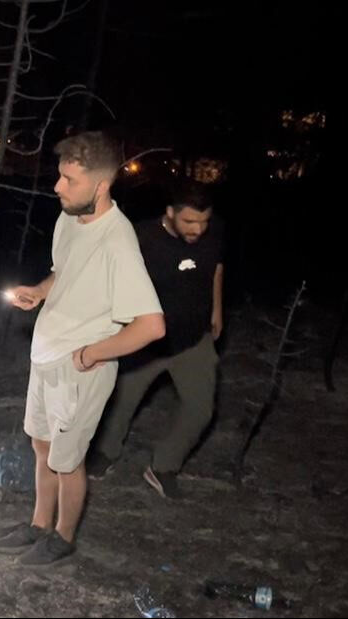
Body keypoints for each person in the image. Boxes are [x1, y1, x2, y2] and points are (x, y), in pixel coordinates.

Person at [0, 131, 165, 566]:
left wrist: (92, 354)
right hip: (46, 353)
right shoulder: (69, 218)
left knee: (68, 462)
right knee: (42, 448)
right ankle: (37, 524)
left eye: (69, 179)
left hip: (81, 370)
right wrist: (41, 291)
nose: (58, 187)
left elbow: (151, 326)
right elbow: (62, 272)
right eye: (60, 176)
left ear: (100, 186)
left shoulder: (117, 243)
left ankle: (63, 537)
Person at [90, 177, 225, 499]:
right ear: (170, 212)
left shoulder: (215, 230)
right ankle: (105, 452)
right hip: (145, 343)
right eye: (189, 221)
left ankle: (164, 465)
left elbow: (216, 266)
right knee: (120, 403)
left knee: (201, 409)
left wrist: (216, 310)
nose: (198, 229)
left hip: (193, 338)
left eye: (203, 222)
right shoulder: (141, 239)